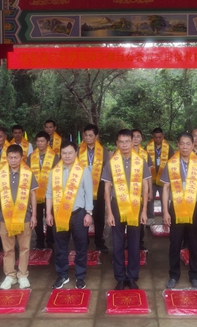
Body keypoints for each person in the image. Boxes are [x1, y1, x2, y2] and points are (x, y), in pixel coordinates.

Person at [161, 133, 197, 290]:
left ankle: (194, 275)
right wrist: (165, 212)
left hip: (195, 208)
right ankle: (174, 275)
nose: (184, 147)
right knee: (175, 243)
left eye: (188, 144)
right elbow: (166, 188)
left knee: (194, 243)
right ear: (178, 145)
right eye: (182, 143)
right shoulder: (171, 164)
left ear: (193, 145)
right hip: (176, 208)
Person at [103, 129, 151, 290]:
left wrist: (144, 211)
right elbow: (107, 188)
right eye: (121, 142)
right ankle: (120, 277)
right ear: (117, 143)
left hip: (136, 206)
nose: (124, 145)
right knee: (117, 243)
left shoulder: (140, 161)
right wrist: (109, 213)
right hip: (117, 206)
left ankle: (132, 277)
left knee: (134, 242)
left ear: (132, 142)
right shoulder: (112, 163)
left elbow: (145, 187)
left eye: (127, 141)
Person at [46, 141, 94, 289]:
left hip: (78, 214)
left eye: (70, 153)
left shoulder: (83, 171)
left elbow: (89, 193)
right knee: (60, 247)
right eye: (64, 153)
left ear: (76, 154)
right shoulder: (54, 172)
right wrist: (48, 213)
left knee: (81, 246)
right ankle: (62, 275)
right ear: (60, 154)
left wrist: (89, 213)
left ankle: (80, 276)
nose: (67, 156)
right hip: (59, 214)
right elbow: (49, 194)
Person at [0, 145, 38, 290]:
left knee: (24, 247)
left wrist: (34, 215)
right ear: (6, 158)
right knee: (8, 249)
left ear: (21, 158)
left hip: (24, 217)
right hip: (4, 218)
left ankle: (23, 274)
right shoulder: (1, 174)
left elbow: (33, 195)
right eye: (10, 157)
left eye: (16, 157)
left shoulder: (28, 173)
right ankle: (10, 275)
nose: (13, 160)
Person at [78, 124, 109, 253]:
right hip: (82, 187)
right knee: (82, 213)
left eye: (91, 135)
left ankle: (99, 241)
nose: (88, 138)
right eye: (86, 135)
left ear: (96, 136)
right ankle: (83, 241)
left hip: (99, 186)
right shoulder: (78, 150)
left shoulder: (103, 151)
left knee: (99, 214)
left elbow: (107, 170)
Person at [27, 131, 60, 249]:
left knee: (50, 215)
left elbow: (57, 173)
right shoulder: (31, 157)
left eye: (42, 141)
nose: (40, 143)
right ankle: (40, 240)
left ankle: (50, 239)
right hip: (35, 193)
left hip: (49, 192)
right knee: (37, 216)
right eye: (38, 141)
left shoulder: (54, 156)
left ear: (48, 142)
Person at [146, 128, 173, 225]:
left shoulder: (168, 148)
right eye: (155, 137)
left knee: (164, 199)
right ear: (152, 137)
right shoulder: (147, 147)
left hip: (164, 179)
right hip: (151, 179)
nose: (157, 139)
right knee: (150, 199)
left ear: (163, 136)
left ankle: (165, 218)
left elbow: (172, 162)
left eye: (159, 137)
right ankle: (150, 218)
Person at [132, 128, 153, 249]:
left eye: (138, 136)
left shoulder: (145, 154)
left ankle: (140, 242)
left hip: (141, 190)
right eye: (133, 136)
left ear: (141, 139)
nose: (135, 139)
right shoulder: (122, 153)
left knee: (141, 216)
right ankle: (129, 243)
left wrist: (150, 190)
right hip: (126, 192)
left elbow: (148, 175)